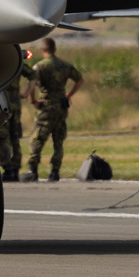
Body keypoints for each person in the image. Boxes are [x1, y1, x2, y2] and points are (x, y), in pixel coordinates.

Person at [22, 38, 83, 182]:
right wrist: (68, 95)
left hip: (46, 105)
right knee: (58, 140)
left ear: (43, 50)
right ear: (54, 49)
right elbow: (80, 80)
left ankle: (33, 170)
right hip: (61, 105)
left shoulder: (40, 66)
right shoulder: (65, 65)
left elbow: (32, 81)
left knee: (37, 138)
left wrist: (33, 100)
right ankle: (55, 172)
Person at [0, 61, 38, 182]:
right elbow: (33, 75)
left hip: (1, 104)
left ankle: (8, 168)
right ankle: (15, 167)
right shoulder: (16, 61)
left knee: (1, 137)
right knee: (14, 137)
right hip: (15, 104)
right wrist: (27, 93)